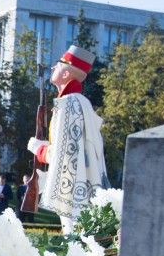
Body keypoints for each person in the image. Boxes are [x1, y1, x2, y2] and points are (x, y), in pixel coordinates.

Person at [27, 45, 110, 234]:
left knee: (72, 238)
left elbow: (62, 153)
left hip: (72, 191)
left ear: (66, 74)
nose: (52, 68)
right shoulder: (81, 103)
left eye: (58, 65)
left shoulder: (67, 105)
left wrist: (38, 149)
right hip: (81, 187)